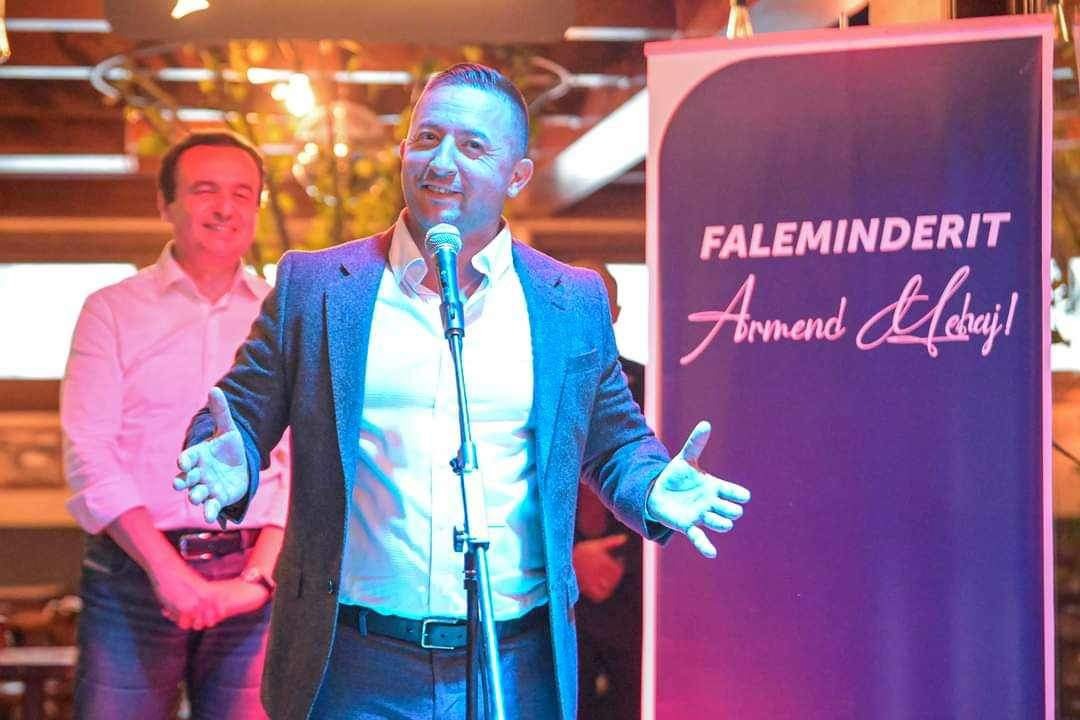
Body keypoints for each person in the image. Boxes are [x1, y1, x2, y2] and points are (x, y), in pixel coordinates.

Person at [174, 64, 750, 720]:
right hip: (354, 665)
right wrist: (228, 457)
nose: (442, 161)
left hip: (516, 664)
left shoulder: (569, 300)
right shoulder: (319, 287)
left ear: (518, 175)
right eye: (428, 138)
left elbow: (613, 438)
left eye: (473, 147)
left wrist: (650, 484)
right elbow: (238, 412)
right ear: (404, 150)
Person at [62, 132, 290, 719]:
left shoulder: (282, 312)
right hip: (133, 576)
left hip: (256, 579)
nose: (225, 208)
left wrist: (258, 579)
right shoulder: (111, 309)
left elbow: (301, 461)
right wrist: (168, 574)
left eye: (242, 193)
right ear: (164, 203)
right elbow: (90, 452)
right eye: (204, 190)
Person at [570, 260, 645, 720]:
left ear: (615, 313)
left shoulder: (656, 387)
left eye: (597, 306)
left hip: (636, 596)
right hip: (555, 595)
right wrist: (570, 558)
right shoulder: (520, 389)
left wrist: (620, 561)